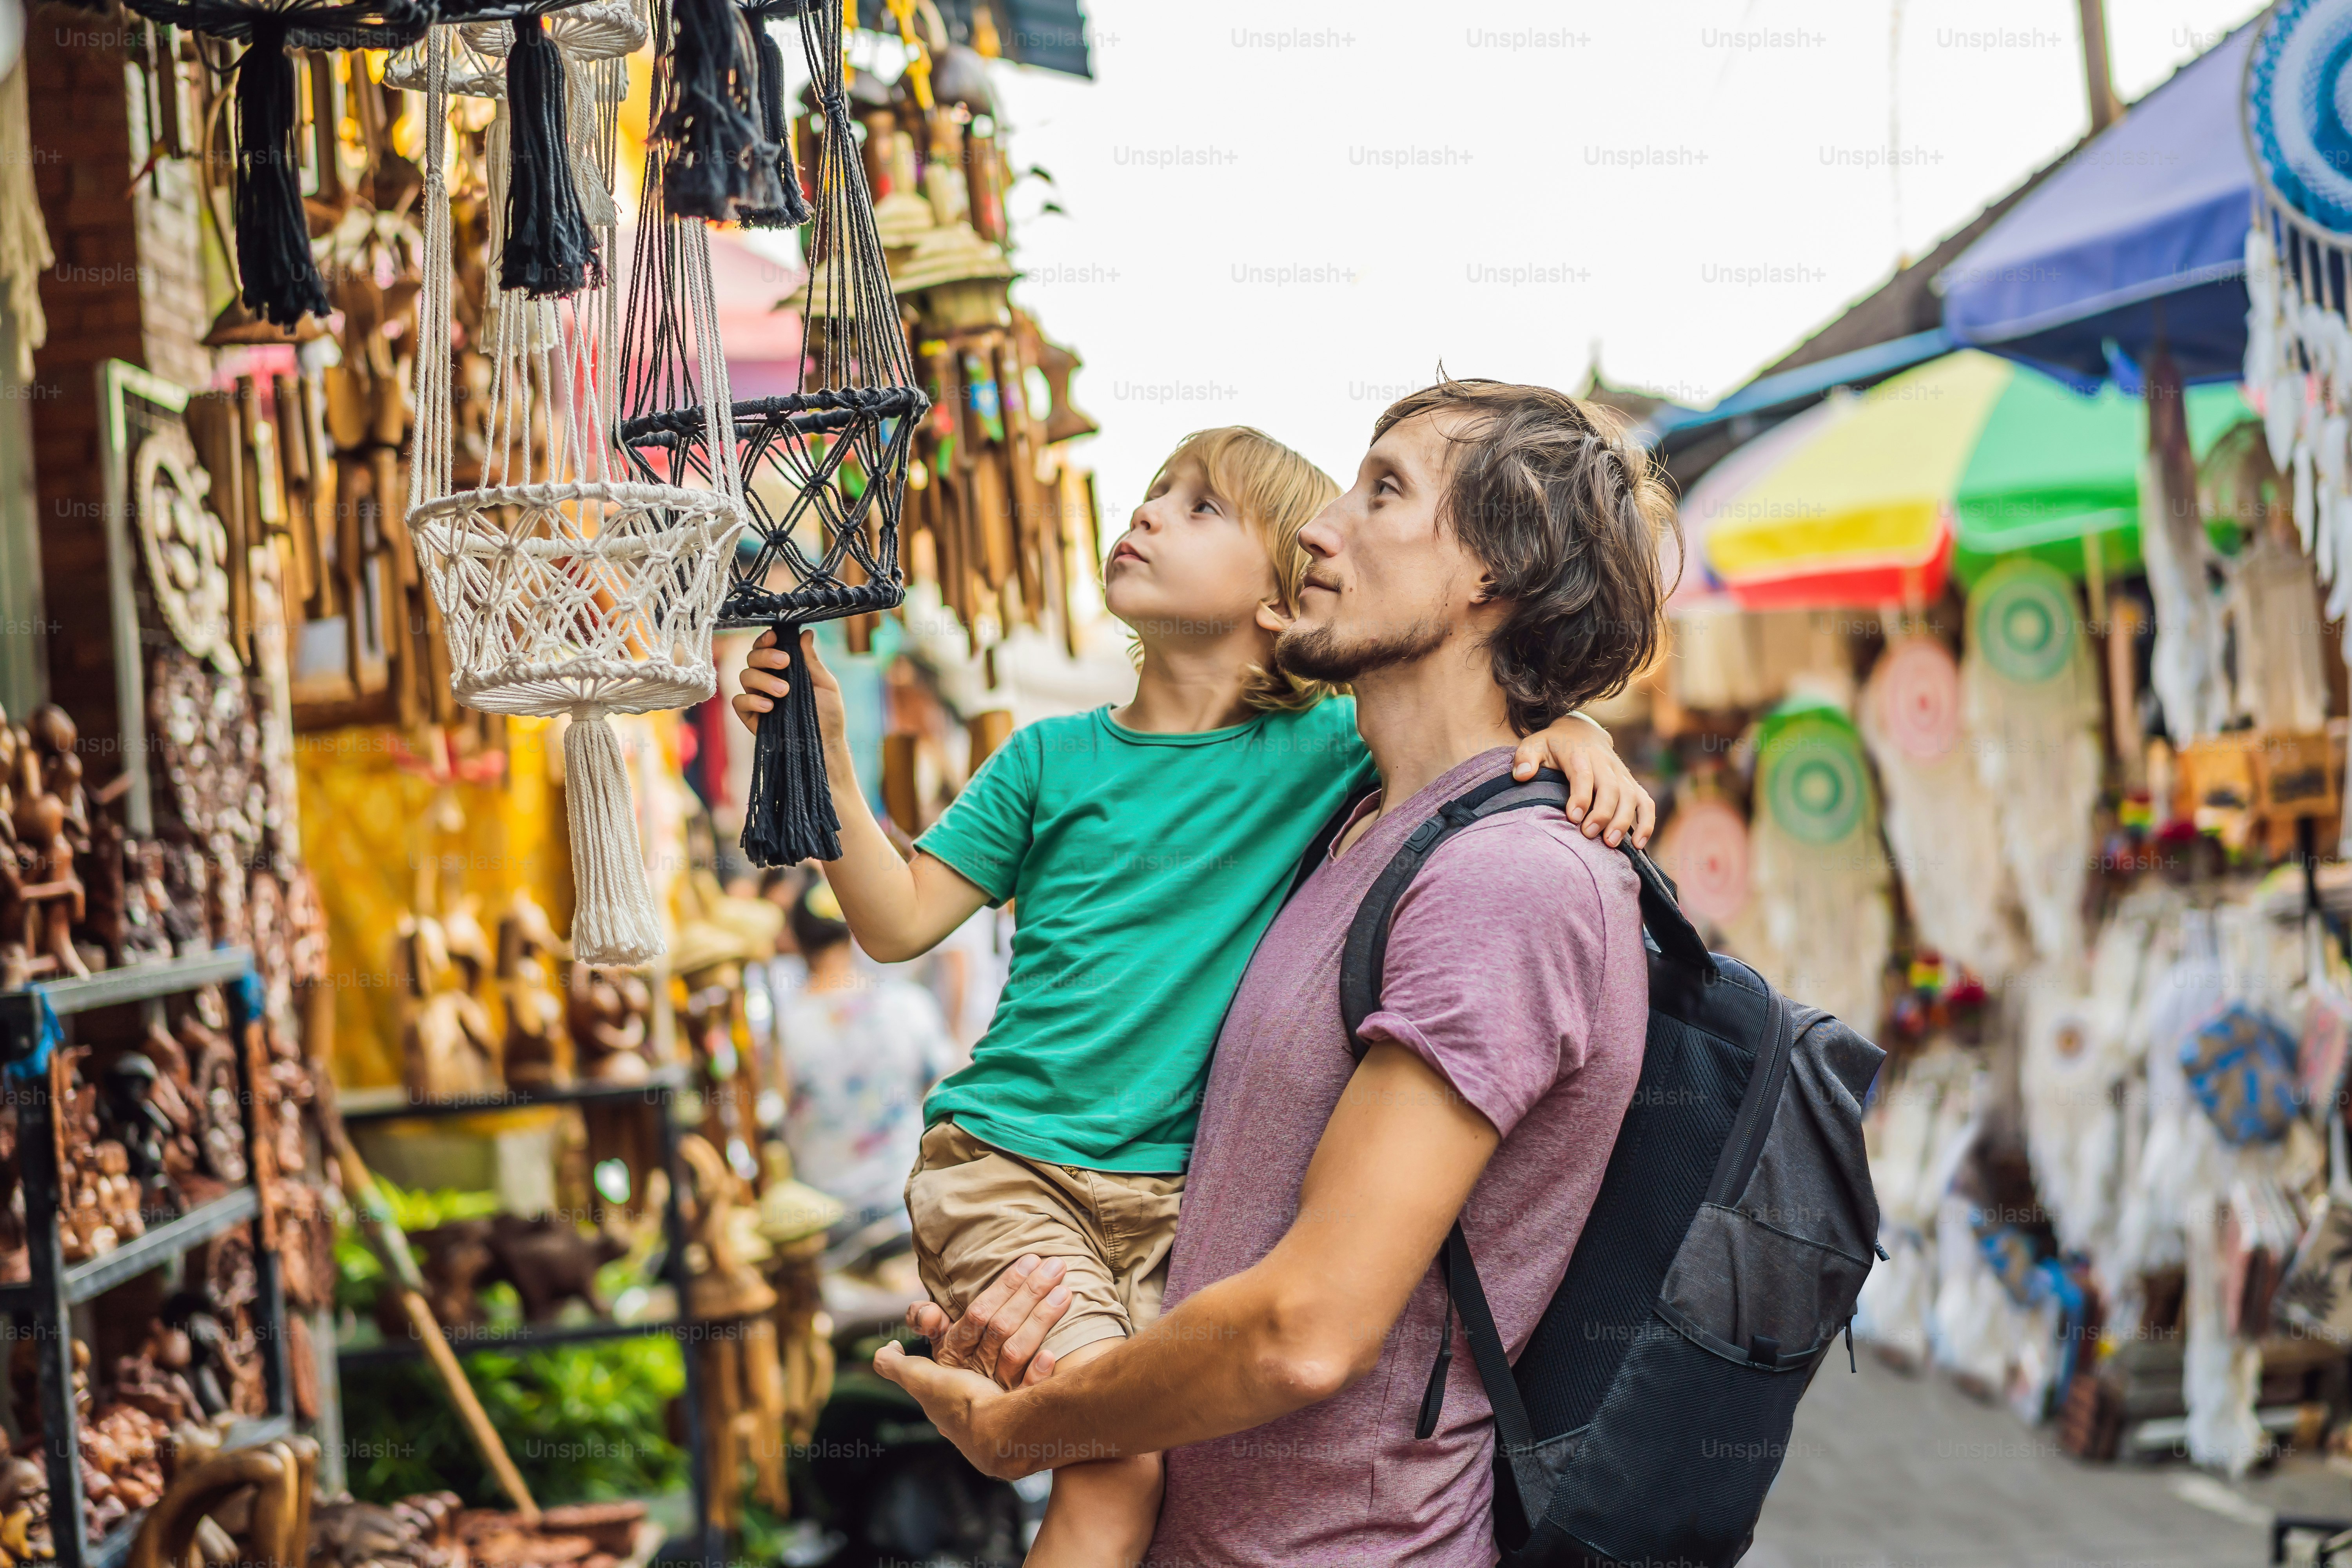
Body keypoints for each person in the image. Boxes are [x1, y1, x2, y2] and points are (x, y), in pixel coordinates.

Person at [733, 423, 1656, 1567]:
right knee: (1115, 1465)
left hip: (1170, 1219)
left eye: (1203, 505)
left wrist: (1568, 726)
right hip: (1018, 1157)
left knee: (1104, 1451)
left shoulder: (1343, 770)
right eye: (1158, 489)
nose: (1152, 512)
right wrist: (823, 759)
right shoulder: (1070, 761)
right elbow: (899, 915)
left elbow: (1298, 1331)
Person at [773, 877, 959, 1247]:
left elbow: (775, 1112)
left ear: (796, 939)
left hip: (825, 1221)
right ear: (854, 930)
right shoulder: (908, 1004)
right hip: (907, 1209)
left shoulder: (787, 1028)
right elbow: (947, 1099)